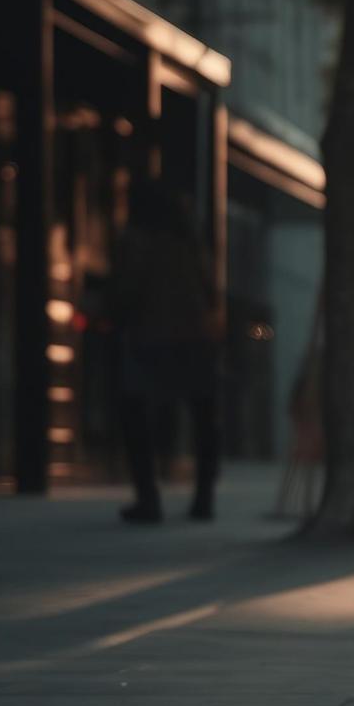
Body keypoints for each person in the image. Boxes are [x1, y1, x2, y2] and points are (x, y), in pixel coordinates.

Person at [110, 177, 220, 523]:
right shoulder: (192, 244)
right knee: (204, 417)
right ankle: (203, 498)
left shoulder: (139, 241)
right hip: (196, 338)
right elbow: (211, 291)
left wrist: (109, 312)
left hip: (152, 337)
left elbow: (127, 290)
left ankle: (149, 498)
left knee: (135, 414)